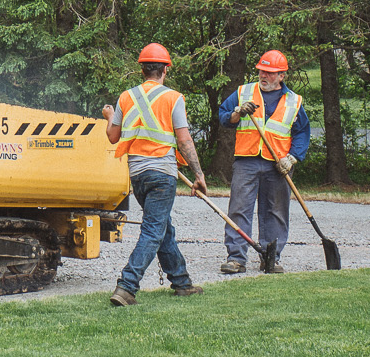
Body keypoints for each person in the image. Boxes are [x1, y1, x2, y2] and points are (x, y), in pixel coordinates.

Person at [101, 43, 208, 307]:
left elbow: (113, 136)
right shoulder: (174, 98)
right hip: (162, 174)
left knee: (162, 229)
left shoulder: (126, 97)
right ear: (165, 69)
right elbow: (184, 141)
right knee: (153, 230)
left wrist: (110, 116)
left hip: (137, 175)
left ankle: (182, 282)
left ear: (142, 69)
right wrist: (199, 174)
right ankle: (127, 286)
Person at [216, 50, 312, 275]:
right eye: (261, 71)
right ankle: (236, 258)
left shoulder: (293, 101)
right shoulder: (244, 92)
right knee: (239, 208)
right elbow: (223, 116)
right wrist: (237, 112)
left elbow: (302, 133)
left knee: (275, 211)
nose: (263, 76)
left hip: (277, 165)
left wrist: (292, 158)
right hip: (246, 161)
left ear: (281, 76)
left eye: (269, 72)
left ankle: (271, 258)